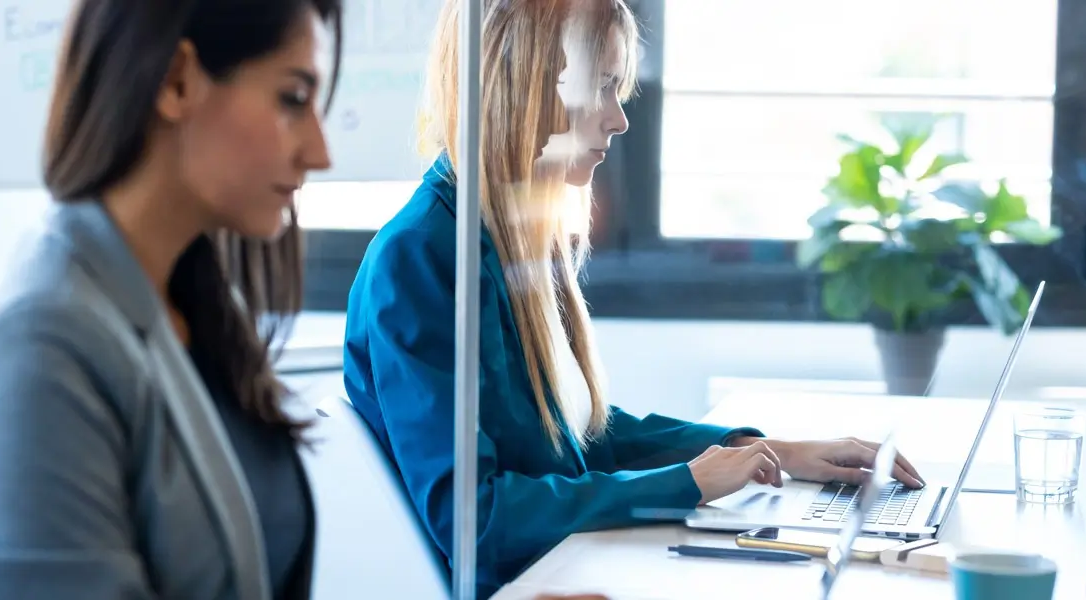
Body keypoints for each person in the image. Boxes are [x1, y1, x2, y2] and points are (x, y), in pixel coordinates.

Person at [342, 0, 926, 597]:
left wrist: (765, 450)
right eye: (599, 86)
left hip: (567, 566)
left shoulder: (508, 234)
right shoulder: (422, 257)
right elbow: (475, 519)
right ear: (526, 84)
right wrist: (686, 483)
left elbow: (579, 434)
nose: (619, 120)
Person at [0, 0, 342, 598]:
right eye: (293, 99)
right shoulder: (37, 355)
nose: (319, 153)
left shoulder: (193, 301)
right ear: (176, 81)